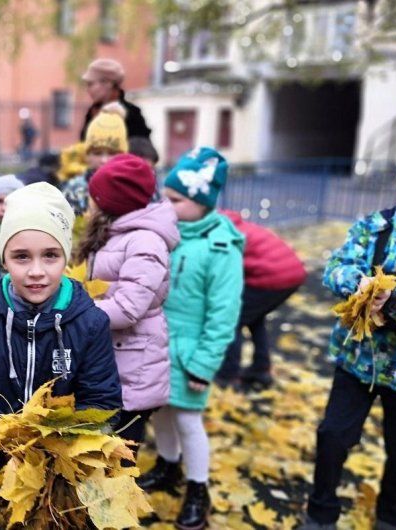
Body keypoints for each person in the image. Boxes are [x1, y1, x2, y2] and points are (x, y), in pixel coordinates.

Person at [0, 182, 122, 484]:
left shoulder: (90, 322)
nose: (36, 270)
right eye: (22, 257)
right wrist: (5, 432)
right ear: (4, 258)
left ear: (66, 257)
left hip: (64, 470)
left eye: (50, 255)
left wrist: (55, 442)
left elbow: (102, 402)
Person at [299, 157, 396, 530]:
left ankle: (391, 521)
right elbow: (335, 267)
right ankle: (320, 514)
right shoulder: (373, 226)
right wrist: (357, 281)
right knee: (332, 436)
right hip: (358, 358)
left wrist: (394, 303)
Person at [139, 147, 244, 530]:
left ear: (201, 201)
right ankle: (169, 466)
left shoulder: (221, 248)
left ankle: (198, 488)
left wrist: (204, 363)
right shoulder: (169, 232)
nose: (165, 205)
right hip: (159, 345)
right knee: (161, 411)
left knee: (188, 419)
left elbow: (223, 313)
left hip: (191, 352)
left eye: (175, 199)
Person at [77, 153, 179, 449]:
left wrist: (76, 312)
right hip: (116, 360)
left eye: (93, 196)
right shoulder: (115, 235)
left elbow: (126, 308)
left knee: (122, 454)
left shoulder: (145, 242)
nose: (89, 202)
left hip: (134, 369)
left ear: (111, 202)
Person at [214, 210, 306, 390]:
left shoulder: (222, 235)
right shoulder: (238, 226)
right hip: (293, 271)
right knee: (255, 317)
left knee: (232, 319)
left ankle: (228, 375)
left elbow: (221, 271)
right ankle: (261, 368)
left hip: (274, 277)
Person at [62, 102, 128, 216]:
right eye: (97, 153)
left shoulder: (134, 188)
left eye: (112, 153)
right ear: (87, 156)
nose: (104, 160)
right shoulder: (75, 189)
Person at [80, 58, 152, 143]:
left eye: (90, 84)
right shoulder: (92, 112)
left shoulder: (132, 115)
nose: (88, 90)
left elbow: (142, 150)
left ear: (107, 84)